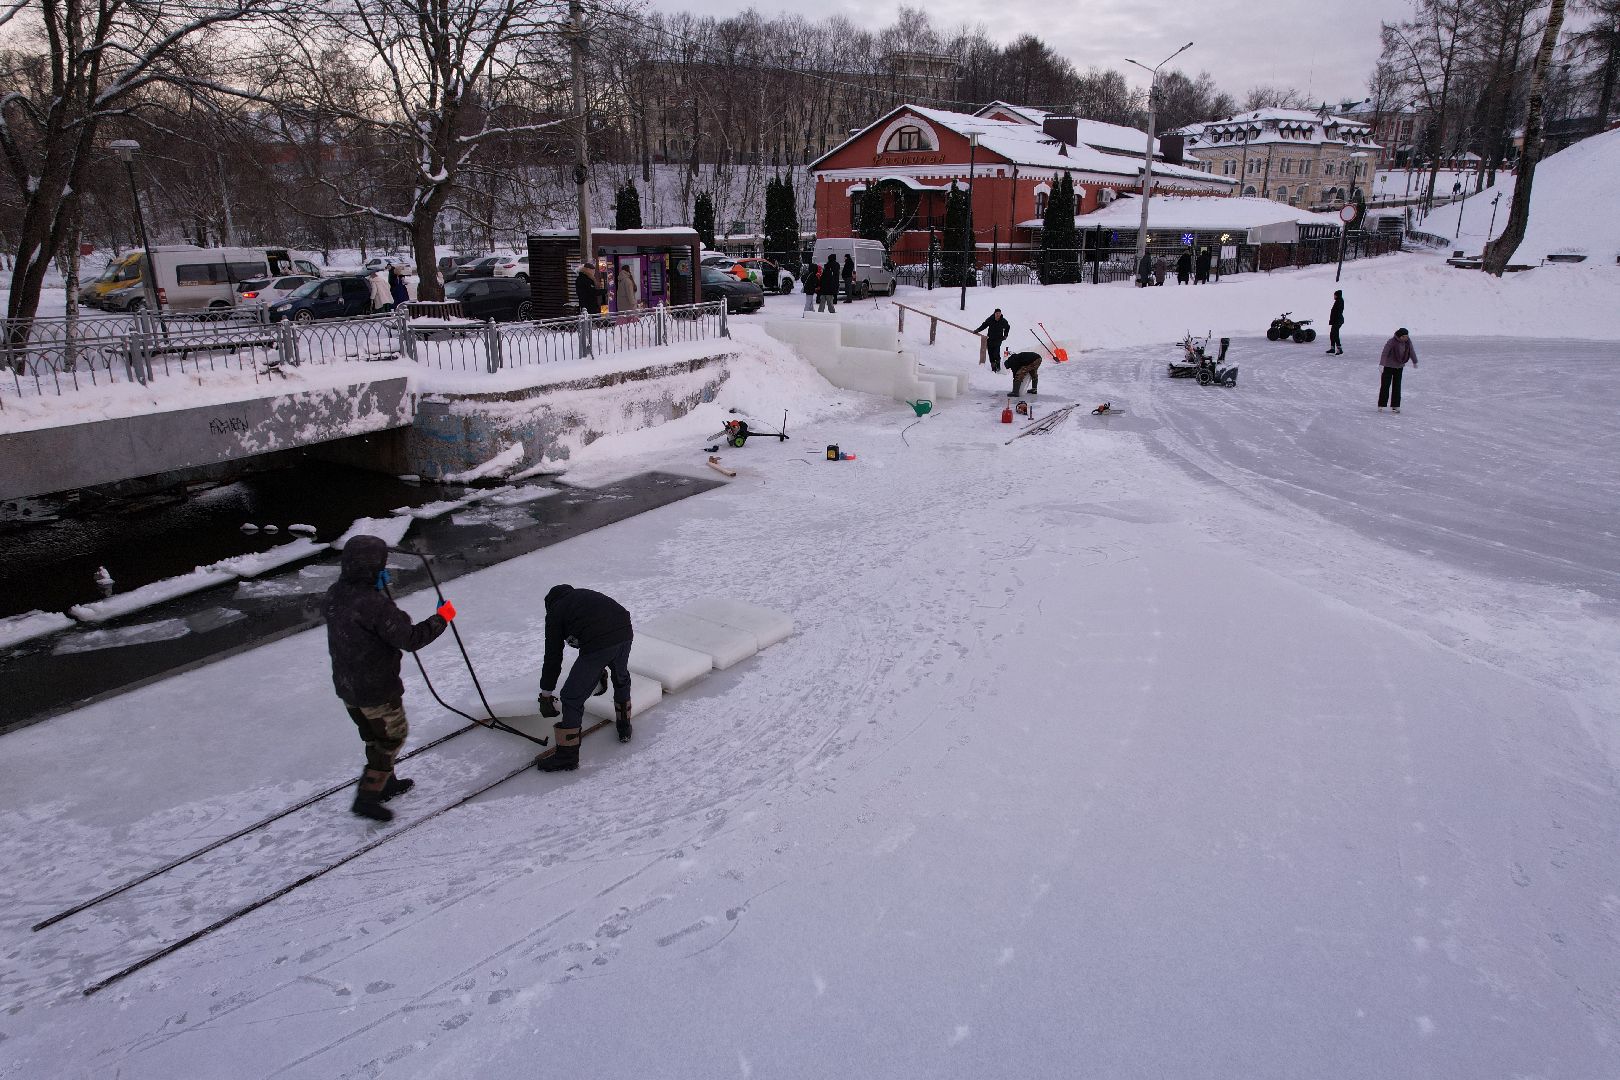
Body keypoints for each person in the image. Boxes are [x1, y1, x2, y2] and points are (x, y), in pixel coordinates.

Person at [322, 535, 454, 821]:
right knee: (393, 736)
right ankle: (368, 796)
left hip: (347, 686)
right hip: (376, 688)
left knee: (373, 735)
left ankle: (387, 782)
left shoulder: (335, 593)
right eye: (382, 565)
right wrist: (441, 618)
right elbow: (410, 639)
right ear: (372, 568)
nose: (386, 571)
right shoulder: (375, 605)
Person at [536, 584, 634, 771]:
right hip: (624, 630)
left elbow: (553, 657)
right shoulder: (582, 597)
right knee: (621, 677)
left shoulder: (555, 612)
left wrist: (546, 693)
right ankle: (624, 727)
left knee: (571, 697)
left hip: (601, 641)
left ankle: (567, 756)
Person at [1378, 327, 1416, 412]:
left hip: (1399, 367)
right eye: (1404, 336)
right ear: (1400, 336)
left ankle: (1395, 406)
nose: (1406, 338)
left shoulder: (1408, 343)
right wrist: (1382, 364)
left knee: (1397, 386)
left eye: (1407, 336)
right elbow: (1385, 353)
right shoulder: (1391, 342)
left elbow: (1411, 352)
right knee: (1385, 385)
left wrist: (1415, 361)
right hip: (1388, 367)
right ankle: (1381, 404)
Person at [1327, 289, 1345, 354]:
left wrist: (1334, 320)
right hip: (1336, 320)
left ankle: (1339, 349)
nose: (1333, 296)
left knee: (1335, 334)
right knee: (1332, 334)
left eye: (1334, 295)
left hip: (1337, 321)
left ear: (1337, 295)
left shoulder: (1339, 301)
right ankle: (1332, 348)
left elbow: (1337, 312)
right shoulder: (1338, 301)